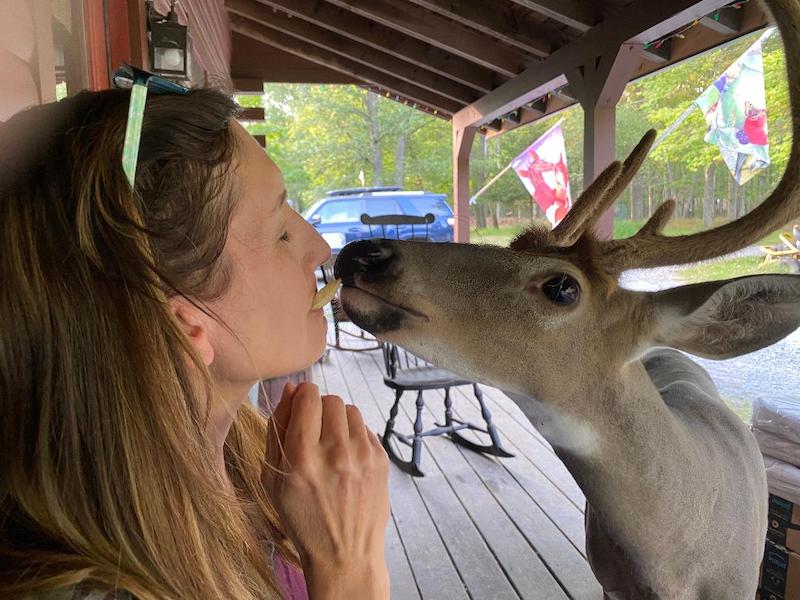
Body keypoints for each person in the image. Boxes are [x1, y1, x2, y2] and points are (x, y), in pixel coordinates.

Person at [0, 81, 390, 599]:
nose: (319, 248)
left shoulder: (248, 465)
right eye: (279, 230)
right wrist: (349, 570)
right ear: (184, 325)